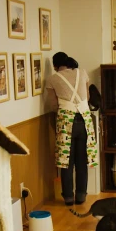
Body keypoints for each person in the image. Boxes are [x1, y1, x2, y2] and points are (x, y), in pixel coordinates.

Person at [44, 52, 98, 206]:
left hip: (65, 120)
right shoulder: (82, 73)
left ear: (56, 66)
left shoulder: (52, 79)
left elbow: (53, 105)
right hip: (85, 120)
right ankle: (81, 196)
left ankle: (68, 197)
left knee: (66, 161)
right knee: (82, 160)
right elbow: (87, 97)